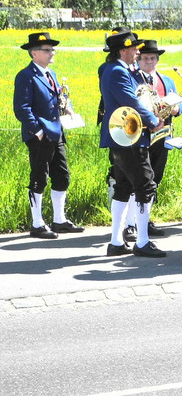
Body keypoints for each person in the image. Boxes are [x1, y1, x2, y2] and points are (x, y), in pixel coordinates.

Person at [99, 30, 165, 257]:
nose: (138, 51)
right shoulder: (117, 71)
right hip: (128, 138)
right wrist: (153, 120)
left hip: (123, 137)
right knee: (145, 186)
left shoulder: (115, 69)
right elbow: (131, 101)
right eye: (134, 47)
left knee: (124, 187)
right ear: (123, 50)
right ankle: (142, 241)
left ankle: (116, 242)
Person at [13, 32, 84, 239]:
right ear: (34, 53)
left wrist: (68, 107)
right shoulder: (26, 76)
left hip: (56, 132)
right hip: (40, 135)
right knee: (39, 177)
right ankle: (37, 224)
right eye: (47, 50)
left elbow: (60, 97)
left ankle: (59, 220)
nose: (52, 53)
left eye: (52, 49)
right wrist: (38, 131)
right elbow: (22, 108)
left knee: (62, 176)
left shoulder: (50, 73)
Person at [136, 39, 180, 239]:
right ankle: (134, 221)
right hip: (141, 135)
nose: (149, 61)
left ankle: (146, 219)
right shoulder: (134, 80)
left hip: (162, 136)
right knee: (140, 178)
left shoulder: (166, 80)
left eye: (153, 58)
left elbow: (179, 102)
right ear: (138, 60)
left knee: (156, 177)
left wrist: (178, 108)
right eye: (145, 58)